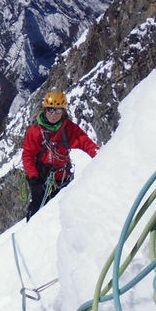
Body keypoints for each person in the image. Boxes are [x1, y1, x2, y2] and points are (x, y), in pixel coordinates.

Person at [22, 90, 98, 221]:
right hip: (40, 176)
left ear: (63, 112)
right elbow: (28, 155)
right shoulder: (35, 130)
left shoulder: (68, 128)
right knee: (37, 207)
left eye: (58, 111)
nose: (54, 115)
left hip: (62, 177)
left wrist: (101, 156)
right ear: (45, 109)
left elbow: (85, 142)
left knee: (61, 211)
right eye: (51, 110)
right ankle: (30, 233)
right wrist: (34, 179)